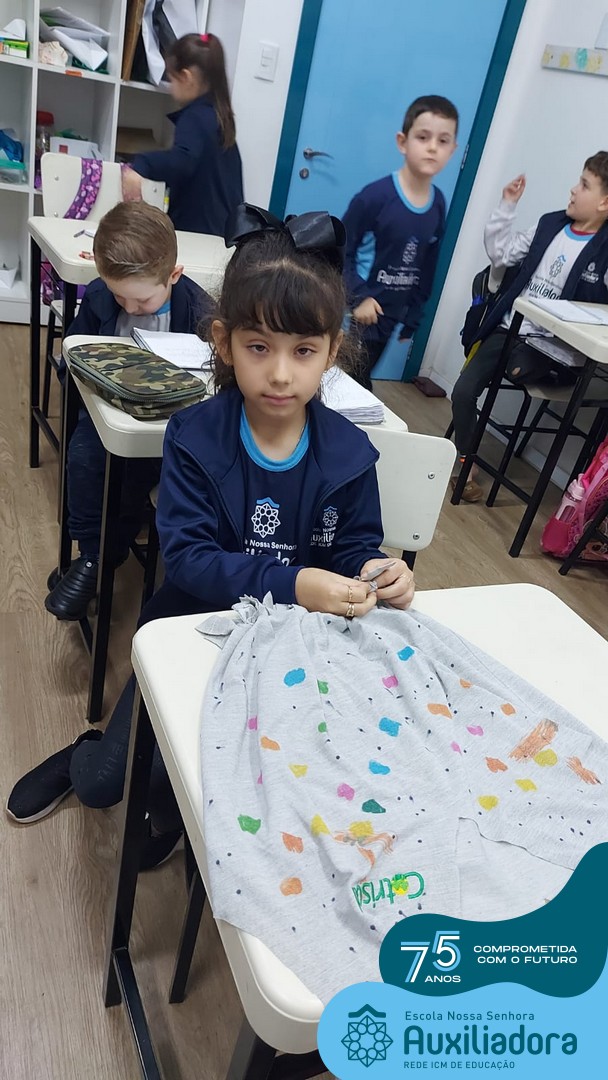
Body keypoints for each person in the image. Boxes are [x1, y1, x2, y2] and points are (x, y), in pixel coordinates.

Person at [7, 203, 416, 869]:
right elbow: (191, 562)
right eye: (259, 348)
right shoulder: (196, 436)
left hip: (295, 648)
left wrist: (377, 568)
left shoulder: (348, 453)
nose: (280, 373)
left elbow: (353, 547)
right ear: (223, 343)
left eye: (303, 352)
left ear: (330, 352)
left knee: (273, 784)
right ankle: (87, 753)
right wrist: (297, 582)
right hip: (190, 630)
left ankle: (169, 799)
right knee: (106, 783)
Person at [46, 201, 213, 621]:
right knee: (85, 457)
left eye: (141, 299)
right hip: (108, 414)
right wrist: (85, 390)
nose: (130, 307)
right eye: (119, 295)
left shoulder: (200, 311)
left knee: (139, 474)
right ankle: (92, 553)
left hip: (170, 428)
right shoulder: (101, 297)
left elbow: (216, 379)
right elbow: (73, 356)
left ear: (173, 275)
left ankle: (105, 556)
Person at [451, 153, 608, 502]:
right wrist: (507, 205)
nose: (573, 190)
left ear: (604, 202)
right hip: (509, 331)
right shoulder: (550, 224)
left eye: (584, 185)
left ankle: (581, 497)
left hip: (555, 348)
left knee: (528, 372)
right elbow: (501, 255)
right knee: (463, 391)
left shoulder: (604, 248)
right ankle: (467, 461)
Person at [343, 95, 458, 389]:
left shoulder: (438, 203)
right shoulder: (375, 198)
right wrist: (358, 297)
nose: (433, 147)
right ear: (402, 142)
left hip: (390, 317)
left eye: (443, 141)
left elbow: (427, 263)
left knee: (359, 384)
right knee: (348, 386)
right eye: (423, 137)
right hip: (358, 316)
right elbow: (340, 252)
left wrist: (413, 315)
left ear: (453, 150)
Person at [121, 33, 243, 236]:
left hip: (197, 234)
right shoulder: (220, 118)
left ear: (186, 78)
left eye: (172, 79)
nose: (170, 88)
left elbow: (182, 161)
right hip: (223, 234)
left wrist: (142, 164)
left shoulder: (194, 118)